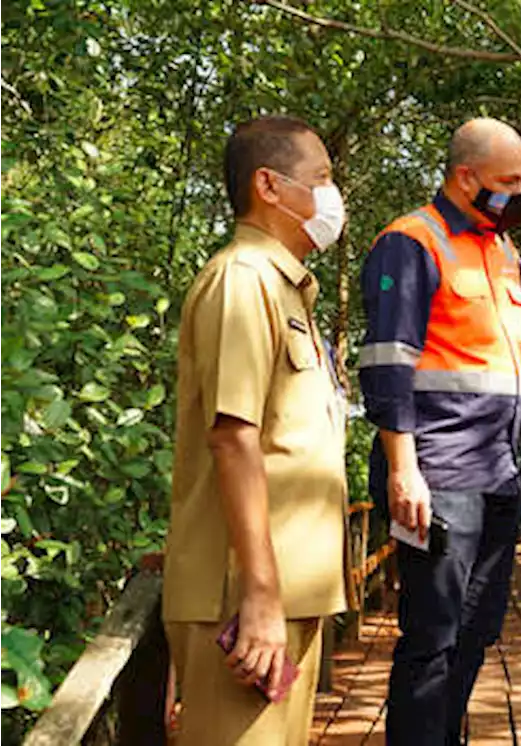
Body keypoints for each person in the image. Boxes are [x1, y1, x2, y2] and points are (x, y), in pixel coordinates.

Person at [357, 117, 521, 746]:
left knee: (478, 628)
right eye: (509, 182)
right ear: (465, 177)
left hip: (499, 471)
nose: (519, 194)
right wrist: (402, 468)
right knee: (432, 633)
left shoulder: (502, 250)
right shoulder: (411, 242)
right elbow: (389, 360)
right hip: (437, 472)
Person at [162, 115, 351, 745]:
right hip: (246, 601)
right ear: (269, 186)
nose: (331, 196)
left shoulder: (287, 289)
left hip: (290, 593)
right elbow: (232, 437)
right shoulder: (242, 281)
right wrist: (261, 596)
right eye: (320, 179)